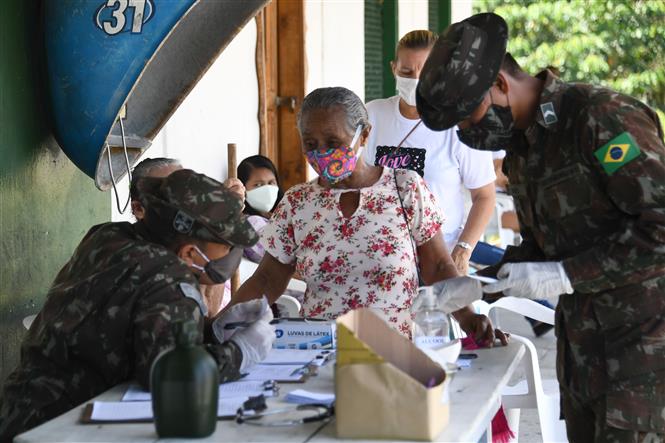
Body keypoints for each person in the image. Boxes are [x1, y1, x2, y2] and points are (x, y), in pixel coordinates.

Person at [417, 12, 665, 442]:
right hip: (584, 357)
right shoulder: (524, 146)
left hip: (644, 358)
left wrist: (567, 275)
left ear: (498, 83)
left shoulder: (599, 118)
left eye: (467, 116)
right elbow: (542, 248)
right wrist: (480, 286)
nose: (466, 131)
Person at [0, 170, 275, 440]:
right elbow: (170, 376)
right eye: (227, 248)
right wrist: (239, 353)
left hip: (21, 410)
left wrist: (210, 331)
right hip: (66, 426)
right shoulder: (169, 277)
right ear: (189, 253)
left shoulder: (107, 236)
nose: (231, 256)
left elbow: (136, 328)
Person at [227, 86, 507, 344]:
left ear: (363, 135)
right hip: (318, 349)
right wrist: (219, 326)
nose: (322, 153)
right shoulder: (298, 203)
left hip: (393, 350)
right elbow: (266, 281)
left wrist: (470, 320)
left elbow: (438, 268)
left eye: (333, 141)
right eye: (311, 144)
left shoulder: (404, 188)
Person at [363, 29, 496, 276]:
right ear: (393, 69)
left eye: (425, 72)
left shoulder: (458, 124)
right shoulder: (373, 115)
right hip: (379, 254)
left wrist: (463, 249)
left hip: (439, 257)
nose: (415, 79)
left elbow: (485, 196)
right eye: (406, 72)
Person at [129, 157, 245, 317]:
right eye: (167, 196)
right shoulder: (147, 261)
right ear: (139, 209)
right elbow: (207, 311)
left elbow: (211, 306)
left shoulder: (182, 240)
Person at [237, 155, 284, 263]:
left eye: (271, 183)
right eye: (258, 185)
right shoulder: (253, 223)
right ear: (243, 188)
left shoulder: (278, 217)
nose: (267, 189)